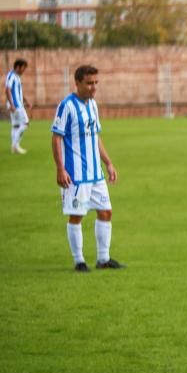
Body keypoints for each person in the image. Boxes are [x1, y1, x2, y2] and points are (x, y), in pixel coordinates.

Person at [51, 65, 124, 271]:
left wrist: (108, 163)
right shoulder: (67, 106)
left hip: (95, 174)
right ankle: (79, 261)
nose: (93, 88)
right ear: (78, 83)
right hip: (75, 175)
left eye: (96, 83)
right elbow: (56, 138)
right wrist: (60, 168)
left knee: (106, 212)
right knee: (77, 216)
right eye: (89, 83)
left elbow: (95, 137)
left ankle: (103, 259)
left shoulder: (93, 105)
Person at [5, 59, 30, 154]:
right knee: (25, 123)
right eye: (23, 68)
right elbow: (7, 89)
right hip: (16, 105)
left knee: (16, 126)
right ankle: (15, 145)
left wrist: (26, 101)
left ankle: (14, 146)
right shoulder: (11, 76)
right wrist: (11, 104)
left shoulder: (17, 77)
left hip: (17, 104)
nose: (24, 70)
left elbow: (19, 92)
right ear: (18, 67)